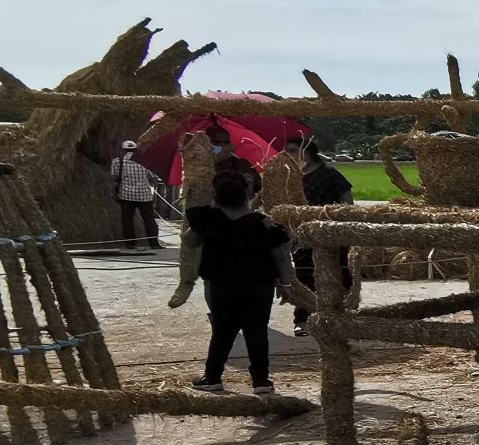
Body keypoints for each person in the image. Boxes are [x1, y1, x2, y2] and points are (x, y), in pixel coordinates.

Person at [170, 164, 310, 395]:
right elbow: (281, 257)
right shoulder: (264, 223)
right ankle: (261, 381)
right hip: (259, 286)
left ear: (216, 196)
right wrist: (287, 284)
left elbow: (190, 242)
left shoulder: (209, 220)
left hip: (221, 285)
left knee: (222, 331)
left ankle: (213, 376)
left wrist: (209, 212)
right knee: (257, 331)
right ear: (248, 195)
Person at [290, 138, 355, 334]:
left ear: (307, 152)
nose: (288, 155)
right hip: (301, 235)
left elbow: (347, 204)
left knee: (339, 274)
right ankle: (304, 319)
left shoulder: (330, 174)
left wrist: (342, 226)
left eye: (292, 151)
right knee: (304, 275)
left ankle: (341, 315)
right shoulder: (291, 178)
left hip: (330, 234)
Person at [109, 140, 161, 248]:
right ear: (136, 149)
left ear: (123, 150)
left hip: (126, 195)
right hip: (144, 195)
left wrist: (114, 193)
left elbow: (114, 178)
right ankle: (154, 243)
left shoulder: (117, 161)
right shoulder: (145, 161)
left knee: (127, 220)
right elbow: (153, 177)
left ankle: (130, 243)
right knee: (149, 219)